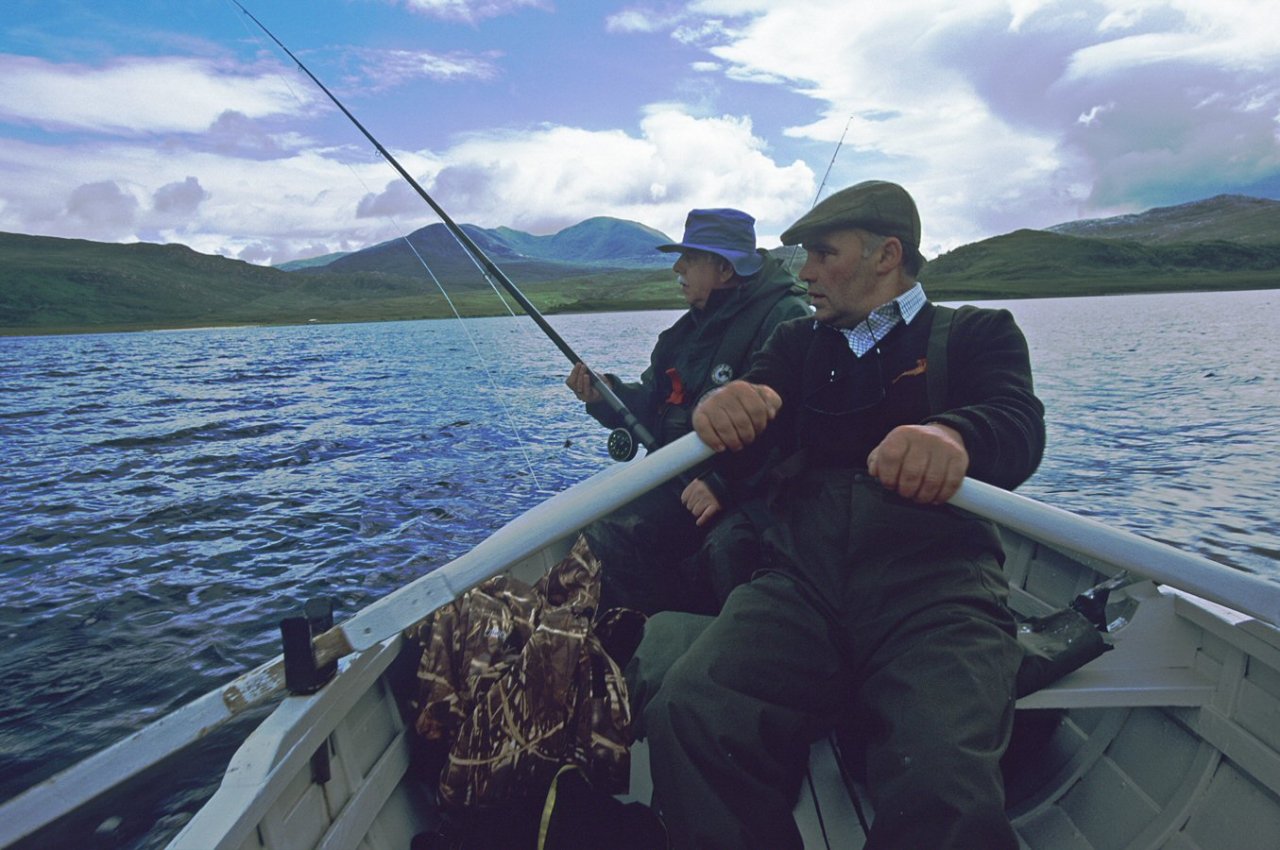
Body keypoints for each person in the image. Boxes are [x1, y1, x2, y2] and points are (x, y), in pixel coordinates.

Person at [626, 181, 1046, 848]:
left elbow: (1016, 424)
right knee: (690, 714)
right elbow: (757, 413)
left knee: (941, 777)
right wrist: (728, 411)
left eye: (823, 254)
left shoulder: (975, 334)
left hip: (936, 591)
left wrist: (953, 437)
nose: (806, 272)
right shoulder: (798, 345)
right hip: (801, 586)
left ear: (887, 255)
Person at [565, 207, 809, 615]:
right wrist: (606, 396)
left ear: (725, 270)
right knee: (605, 527)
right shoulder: (682, 334)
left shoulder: (787, 319)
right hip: (678, 483)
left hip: (752, 494)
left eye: (690, 258)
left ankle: (651, 642)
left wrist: (722, 483)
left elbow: (795, 428)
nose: (677, 267)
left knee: (632, 537)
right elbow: (656, 407)